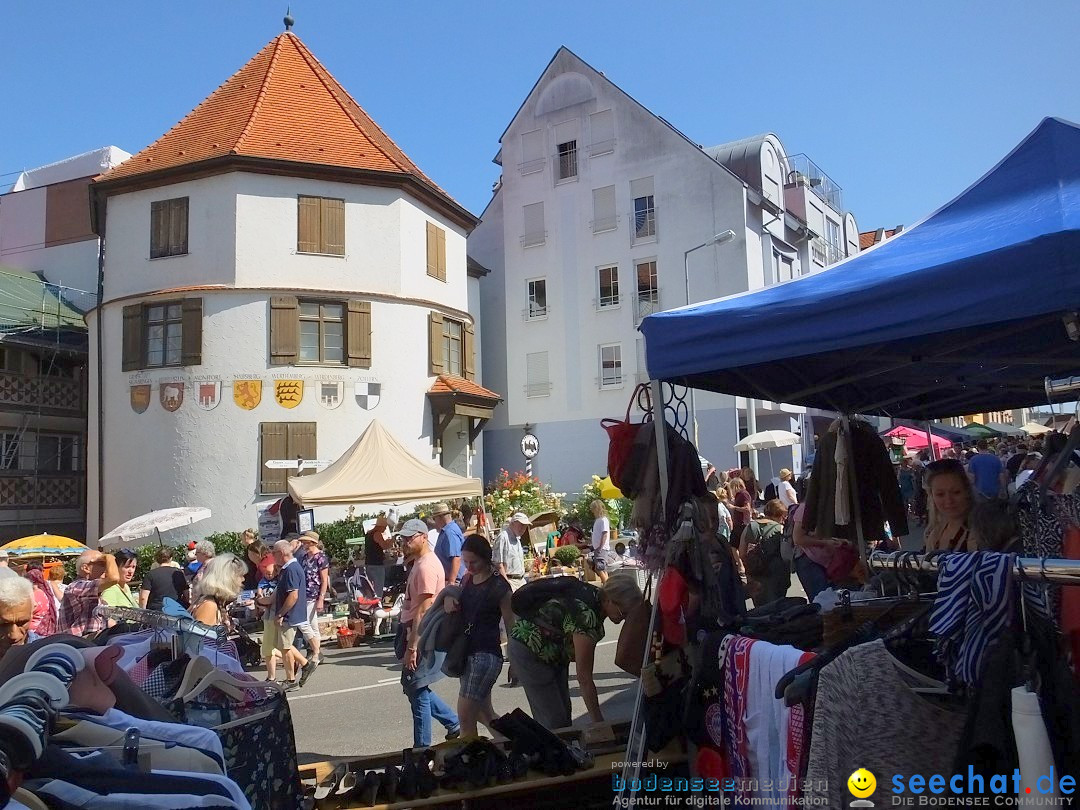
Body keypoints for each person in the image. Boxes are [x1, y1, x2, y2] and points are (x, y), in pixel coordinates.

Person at [508, 575, 642, 730]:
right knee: (553, 722)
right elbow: (584, 679)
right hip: (530, 651)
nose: (623, 618)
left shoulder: (593, 595)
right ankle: (548, 752)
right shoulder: (587, 616)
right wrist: (599, 724)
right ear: (609, 600)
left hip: (551, 652)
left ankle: (560, 749)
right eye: (622, 612)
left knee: (563, 718)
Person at [444, 534, 515, 738]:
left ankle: (472, 761)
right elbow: (456, 596)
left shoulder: (499, 586)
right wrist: (449, 599)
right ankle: (514, 745)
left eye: (473, 561)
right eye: (465, 561)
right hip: (468, 652)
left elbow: (512, 625)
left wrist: (515, 661)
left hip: (485, 655)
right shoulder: (468, 578)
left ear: (486, 557)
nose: (469, 566)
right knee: (484, 713)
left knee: (465, 717)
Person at [397, 517, 460, 746]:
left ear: (423, 537)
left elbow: (423, 612)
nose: (405, 542)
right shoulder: (420, 563)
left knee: (417, 689)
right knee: (414, 686)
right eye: (403, 538)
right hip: (417, 632)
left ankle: (421, 749)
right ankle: (453, 722)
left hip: (422, 635)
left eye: (409, 538)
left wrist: (413, 646)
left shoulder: (425, 567)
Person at [272, 539, 318, 690]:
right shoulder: (291, 567)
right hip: (291, 614)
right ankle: (305, 665)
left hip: (290, 615)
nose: (273, 556)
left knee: (285, 647)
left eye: (274, 553)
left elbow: (293, 596)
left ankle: (292, 679)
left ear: (281, 553)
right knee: (283, 646)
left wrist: (280, 614)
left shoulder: (291, 569)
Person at [791, 502, 850, 601]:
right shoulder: (806, 507)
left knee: (834, 601)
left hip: (831, 562)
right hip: (809, 560)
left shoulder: (835, 505)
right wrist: (825, 543)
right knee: (822, 602)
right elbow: (798, 538)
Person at [739, 499, 791, 608]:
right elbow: (786, 555)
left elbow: (742, 553)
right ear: (780, 515)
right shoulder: (780, 529)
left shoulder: (750, 527)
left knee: (760, 609)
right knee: (778, 609)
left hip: (755, 574)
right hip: (777, 575)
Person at [58, 550, 120, 637]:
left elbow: (105, 623)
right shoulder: (76, 587)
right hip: (75, 644)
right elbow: (114, 578)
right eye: (102, 564)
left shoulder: (92, 593)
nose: (107, 568)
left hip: (87, 643)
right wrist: (110, 557)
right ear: (86, 568)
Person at [923, 459, 976, 552]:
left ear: (967, 491)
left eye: (956, 492)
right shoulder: (934, 534)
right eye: (940, 494)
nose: (949, 500)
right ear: (932, 496)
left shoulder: (981, 534)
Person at [190, 553, 246, 629]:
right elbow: (201, 639)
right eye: (240, 575)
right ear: (227, 579)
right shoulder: (209, 606)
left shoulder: (213, 602)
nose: (243, 579)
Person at [298, 533, 327, 665]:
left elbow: (324, 580)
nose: (304, 545)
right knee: (312, 624)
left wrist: (321, 598)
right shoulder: (304, 557)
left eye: (306, 543)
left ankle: (316, 651)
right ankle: (316, 651)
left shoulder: (320, 558)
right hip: (304, 594)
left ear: (313, 542)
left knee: (305, 623)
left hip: (314, 595)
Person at [254, 557, 281, 682]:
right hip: (268, 612)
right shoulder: (263, 581)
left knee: (268, 647)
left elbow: (270, 600)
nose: (268, 576)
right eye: (266, 574)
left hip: (273, 612)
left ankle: (272, 677)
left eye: (271, 574)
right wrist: (259, 597)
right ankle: (301, 662)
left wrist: (259, 601)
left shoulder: (278, 582)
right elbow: (259, 591)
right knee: (274, 646)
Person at [0, 568, 35, 661]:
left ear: (32, 614)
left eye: (22, 623)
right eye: (4, 624)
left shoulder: (45, 653)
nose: (14, 635)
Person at [492, 512, 530, 588]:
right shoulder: (503, 537)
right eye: (521, 525)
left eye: (525, 526)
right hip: (511, 581)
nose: (523, 529)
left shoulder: (517, 538)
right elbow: (498, 563)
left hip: (521, 580)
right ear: (513, 523)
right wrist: (506, 584)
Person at [433, 503, 465, 585]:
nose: (434, 522)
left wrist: (451, 582)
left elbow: (456, 558)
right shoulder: (447, 530)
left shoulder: (450, 532)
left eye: (434, 518)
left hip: (456, 581)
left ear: (440, 517)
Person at [364, 513, 394, 596]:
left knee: (371, 587)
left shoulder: (368, 534)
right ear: (380, 526)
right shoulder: (377, 534)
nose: (384, 529)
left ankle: (371, 602)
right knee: (378, 586)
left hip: (369, 563)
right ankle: (378, 602)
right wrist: (392, 540)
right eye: (384, 527)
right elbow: (384, 546)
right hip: (376, 564)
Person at [24, 564, 57, 637]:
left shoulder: (35, 594)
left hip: (34, 632)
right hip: (44, 629)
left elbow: (30, 610)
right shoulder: (45, 592)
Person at [589, 499, 611, 584]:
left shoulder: (603, 520)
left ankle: (607, 585)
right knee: (602, 568)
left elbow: (604, 534)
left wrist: (600, 547)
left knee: (599, 568)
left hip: (601, 548)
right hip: (598, 547)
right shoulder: (598, 520)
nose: (592, 511)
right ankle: (607, 584)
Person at [727, 477, 753, 549]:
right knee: (733, 546)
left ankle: (743, 559)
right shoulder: (739, 494)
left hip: (742, 523)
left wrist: (734, 507)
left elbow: (747, 508)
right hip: (737, 523)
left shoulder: (744, 494)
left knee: (742, 546)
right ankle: (739, 560)